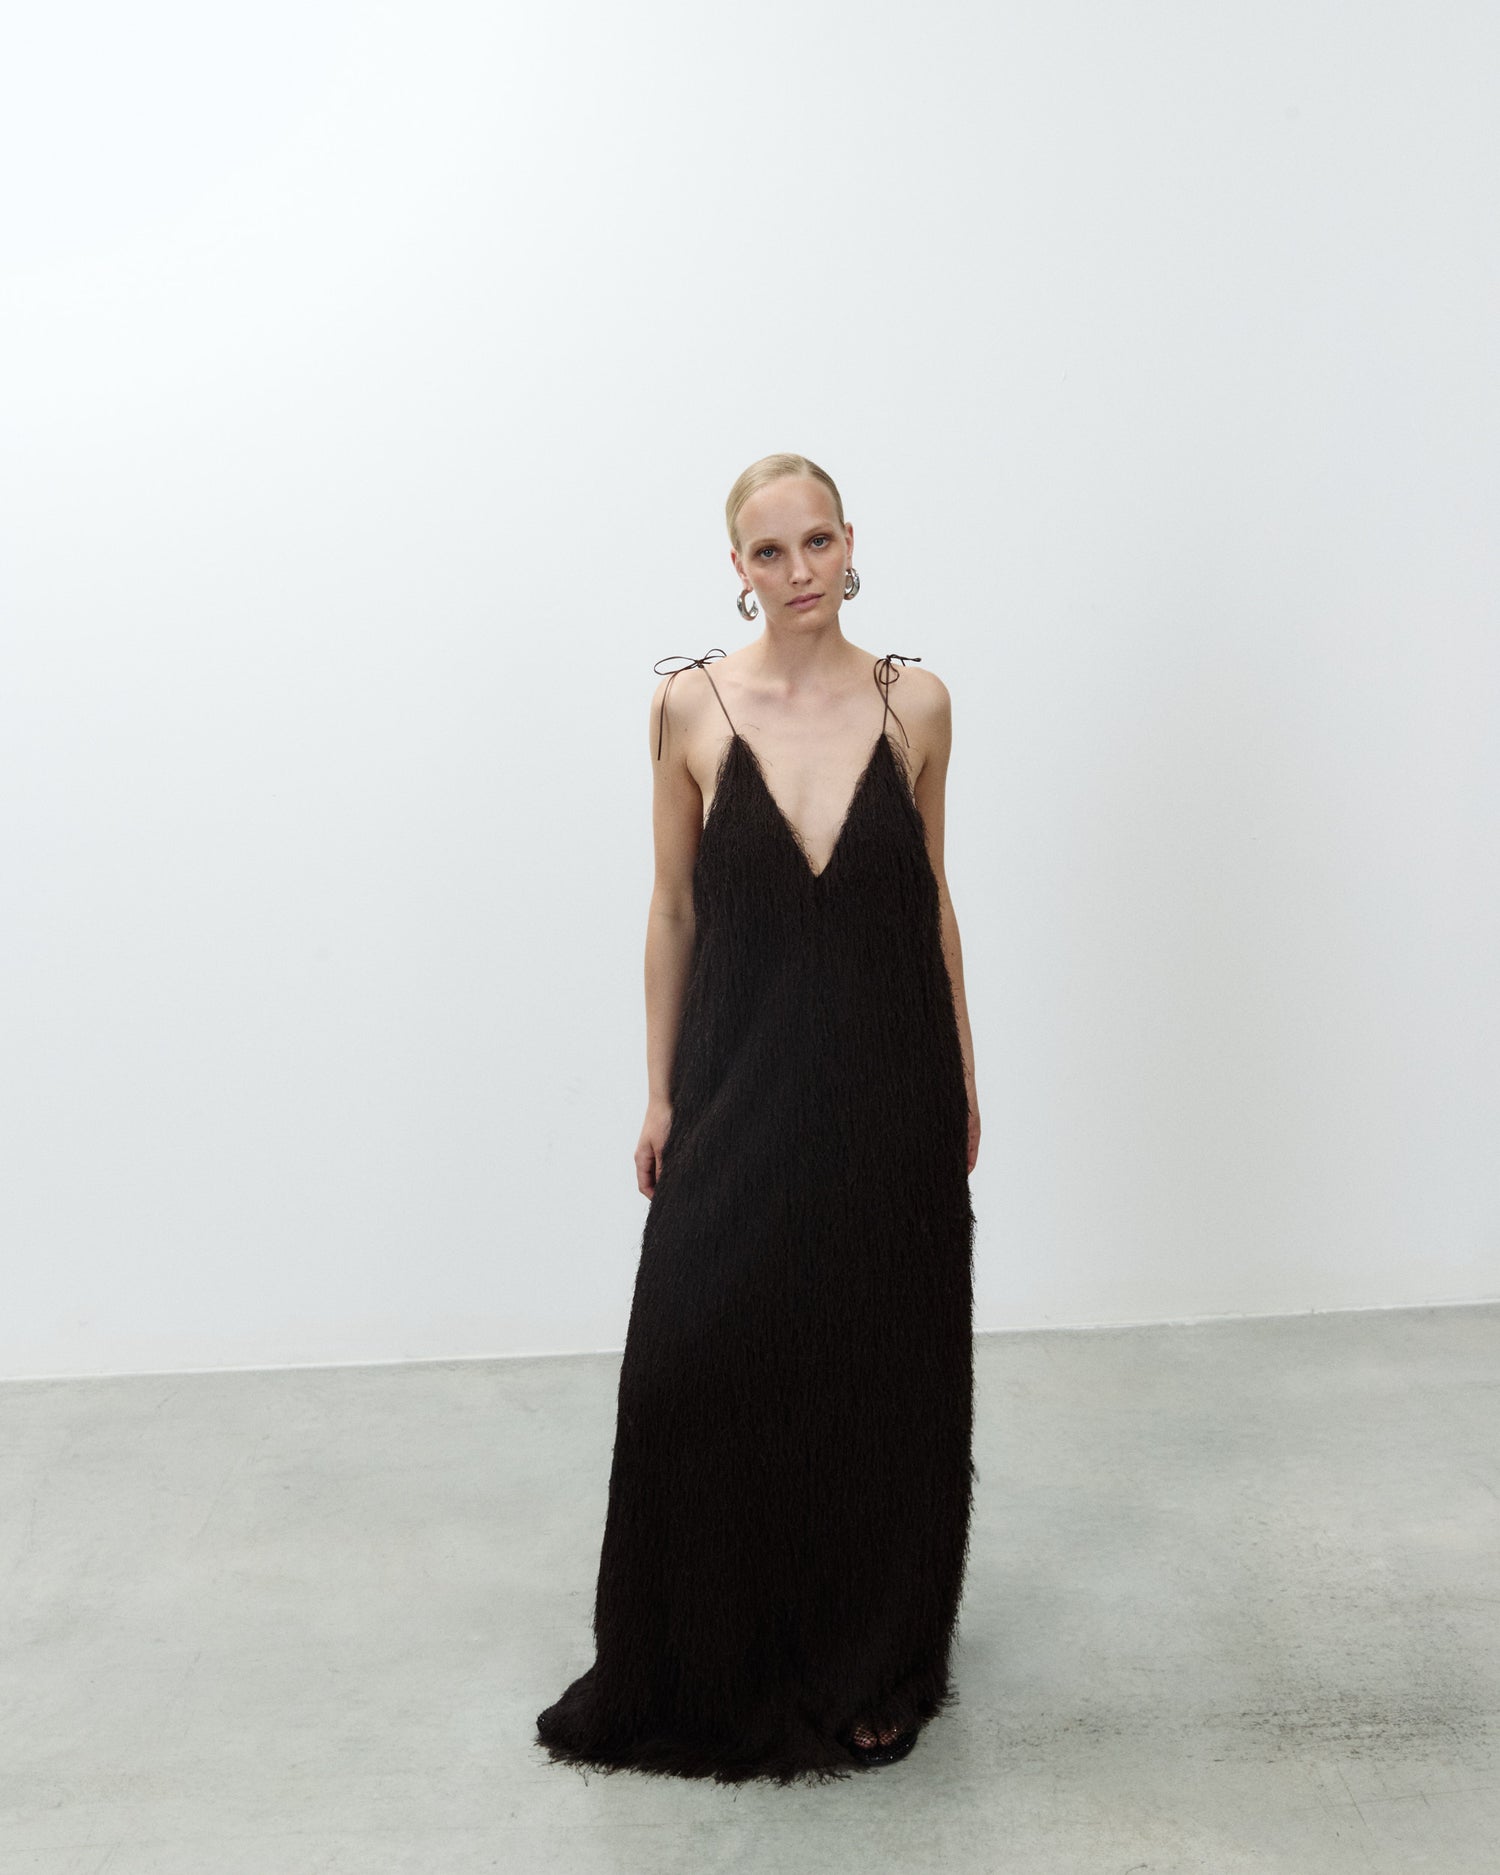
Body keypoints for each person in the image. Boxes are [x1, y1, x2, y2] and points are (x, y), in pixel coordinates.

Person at [535, 452, 979, 1784]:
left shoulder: (916, 704)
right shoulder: (690, 706)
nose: (799, 572)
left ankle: (874, 1660)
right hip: (738, 1076)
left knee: (881, 1369)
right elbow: (673, 908)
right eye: (769, 552)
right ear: (735, 568)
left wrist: (965, 1076)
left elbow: (933, 900)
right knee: (697, 1354)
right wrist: (661, 1091)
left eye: (817, 542)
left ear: (851, 544)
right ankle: (704, 1652)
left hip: (891, 1083)